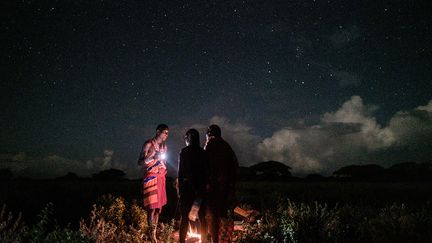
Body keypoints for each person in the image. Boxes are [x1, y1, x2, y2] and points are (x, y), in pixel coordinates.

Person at [204, 124, 238, 243]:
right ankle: (227, 239)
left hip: (215, 187)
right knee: (226, 215)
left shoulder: (211, 144)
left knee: (214, 216)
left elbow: (206, 165)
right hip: (227, 188)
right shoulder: (226, 146)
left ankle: (215, 240)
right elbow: (235, 165)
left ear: (210, 134)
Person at [137, 124, 169, 242]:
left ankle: (154, 234)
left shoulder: (164, 147)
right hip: (150, 178)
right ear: (157, 131)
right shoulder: (148, 144)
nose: (166, 135)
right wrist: (152, 157)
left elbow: (164, 161)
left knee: (157, 209)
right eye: (164, 132)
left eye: (167, 133)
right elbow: (140, 162)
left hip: (160, 178)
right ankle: (152, 236)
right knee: (151, 208)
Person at [177, 128, 208, 243]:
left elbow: (180, 173)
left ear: (188, 138)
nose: (185, 140)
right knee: (202, 217)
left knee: (184, 217)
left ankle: (181, 241)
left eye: (186, 137)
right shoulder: (203, 152)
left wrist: (180, 191)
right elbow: (206, 172)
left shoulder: (184, 152)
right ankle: (204, 241)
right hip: (200, 189)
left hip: (187, 189)